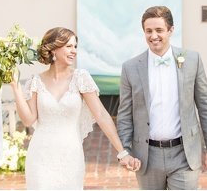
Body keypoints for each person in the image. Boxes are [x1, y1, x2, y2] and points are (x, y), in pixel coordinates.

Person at [10, 27, 141, 189]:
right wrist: (15, 88)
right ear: (54, 49)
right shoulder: (36, 81)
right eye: (69, 46)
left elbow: (101, 115)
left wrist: (122, 152)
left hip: (70, 156)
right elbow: (28, 120)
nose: (74, 51)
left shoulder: (80, 78)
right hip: (40, 156)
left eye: (75, 47)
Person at [117, 6, 207, 189]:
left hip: (184, 154)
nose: (153, 36)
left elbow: (205, 105)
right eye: (148, 31)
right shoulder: (130, 68)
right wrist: (126, 151)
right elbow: (124, 115)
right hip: (147, 157)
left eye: (159, 30)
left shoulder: (192, 60)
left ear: (171, 30)